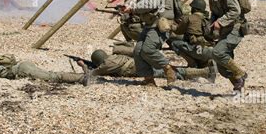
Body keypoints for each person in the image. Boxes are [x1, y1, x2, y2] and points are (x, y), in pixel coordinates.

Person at [125, 0, 176, 86]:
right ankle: (149, 80)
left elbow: (150, 4)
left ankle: (168, 69)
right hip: (150, 25)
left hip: (159, 26)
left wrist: (133, 8)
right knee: (138, 51)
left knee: (148, 49)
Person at [200, 0, 247, 91]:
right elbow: (214, 12)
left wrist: (220, 22)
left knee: (218, 53)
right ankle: (238, 83)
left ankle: (241, 74)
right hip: (225, 29)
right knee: (222, 66)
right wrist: (211, 24)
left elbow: (235, 11)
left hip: (235, 28)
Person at [82, 49, 216, 86]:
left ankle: (205, 72)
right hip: (141, 61)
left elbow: (91, 74)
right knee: (172, 69)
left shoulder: (105, 65)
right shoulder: (115, 57)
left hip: (139, 70)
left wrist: (83, 65)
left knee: (175, 73)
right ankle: (204, 72)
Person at [0, 47, 89, 85]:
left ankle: (82, 77)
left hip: (22, 70)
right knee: (51, 74)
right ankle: (81, 75)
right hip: (23, 65)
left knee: (53, 77)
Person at [170, 0, 214, 68]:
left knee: (175, 44)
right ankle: (204, 62)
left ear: (195, 9)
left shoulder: (189, 18)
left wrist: (171, 26)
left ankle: (192, 63)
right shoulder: (208, 20)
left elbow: (178, 31)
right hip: (210, 51)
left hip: (196, 50)